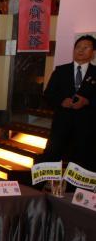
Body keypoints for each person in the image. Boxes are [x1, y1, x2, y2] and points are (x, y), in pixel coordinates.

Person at [38, 35, 96, 170]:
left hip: (86, 129)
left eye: (86, 47)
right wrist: (61, 101)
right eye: (78, 47)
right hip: (61, 127)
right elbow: (48, 95)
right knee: (49, 161)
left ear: (93, 53)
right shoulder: (61, 70)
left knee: (82, 165)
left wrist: (87, 102)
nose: (80, 50)